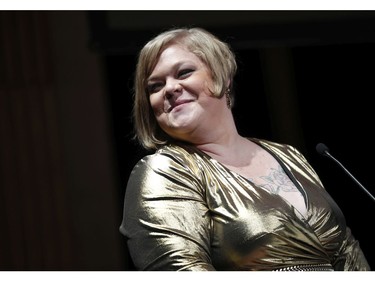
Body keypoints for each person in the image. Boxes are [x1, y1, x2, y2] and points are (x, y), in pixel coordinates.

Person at [119, 27, 370, 271]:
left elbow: (347, 252)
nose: (170, 89)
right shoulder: (165, 170)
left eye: (183, 73)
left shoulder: (289, 156)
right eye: (155, 86)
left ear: (223, 77)